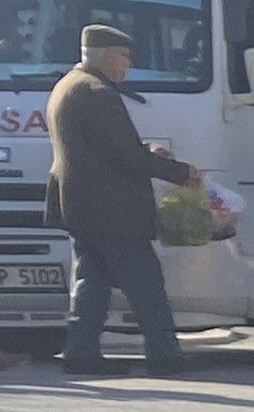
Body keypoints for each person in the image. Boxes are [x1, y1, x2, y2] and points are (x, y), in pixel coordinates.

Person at [45, 20, 197, 375]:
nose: (127, 66)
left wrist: (149, 151)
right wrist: (180, 173)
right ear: (105, 57)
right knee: (146, 285)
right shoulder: (97, 93)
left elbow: (105, 147)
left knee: (92, 284)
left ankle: (80, 354)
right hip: (112, 209)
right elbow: (124, 157)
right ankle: (165, 356)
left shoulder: (68, 86)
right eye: (124, 58)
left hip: (82, 207)